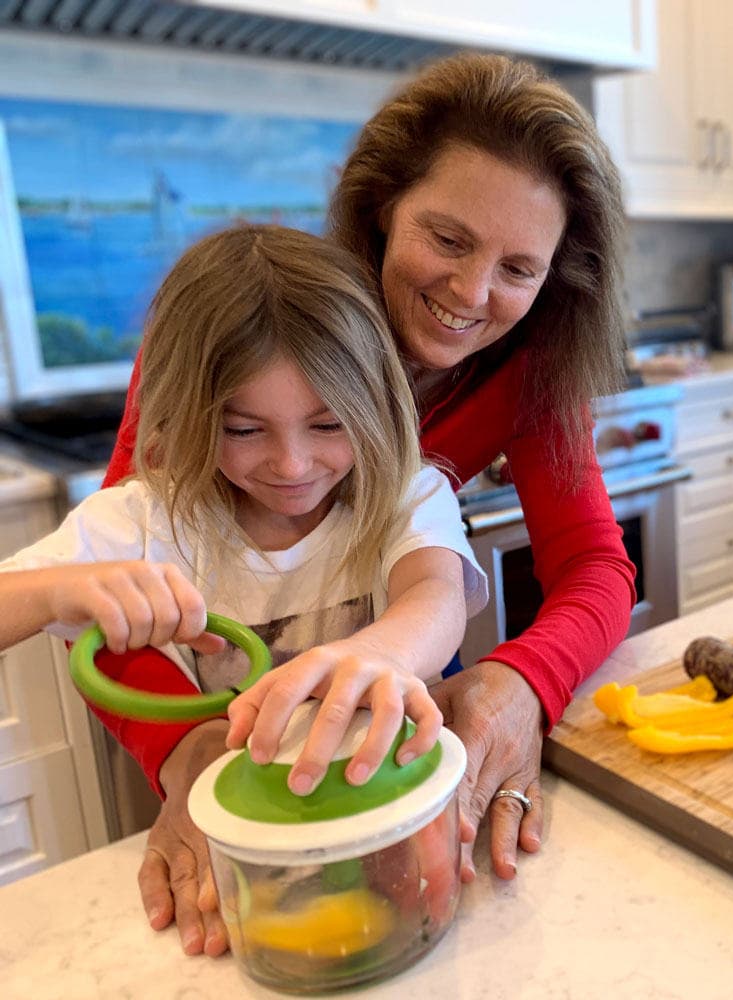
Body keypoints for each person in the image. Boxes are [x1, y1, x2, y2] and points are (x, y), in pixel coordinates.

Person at [98, 52, 635, 957]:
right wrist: (186, 759)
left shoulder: (531, 366)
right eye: (449, 239)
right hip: (219, 744)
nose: (472, 295)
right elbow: (111, 583)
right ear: (382, 206)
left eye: (519, 267)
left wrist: (516, 687)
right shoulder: (239, 329)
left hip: (399, 756)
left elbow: (592, 567)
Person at [0, 223, 487, 793]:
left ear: (376, 405)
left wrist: (379, 652)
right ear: (191, 416)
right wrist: (57, 591)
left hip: (393, 798)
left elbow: (436, 596)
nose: (292, 465)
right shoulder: (146, 520)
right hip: (246, 823)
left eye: (328, 424)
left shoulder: (406, 494)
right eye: (245, 429)